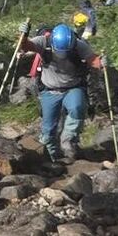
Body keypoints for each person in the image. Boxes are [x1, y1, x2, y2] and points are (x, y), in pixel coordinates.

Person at [16, 22, 106, 163]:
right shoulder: (43, 41)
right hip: (49, 90)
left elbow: (92, 60)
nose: (62, 54)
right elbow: (25, 46)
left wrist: (101, 62)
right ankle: (51, 155)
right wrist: (24, 35)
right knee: (49, 127)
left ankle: (68, 142)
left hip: (72, 87)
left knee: (77, 108)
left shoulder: (78, 45)